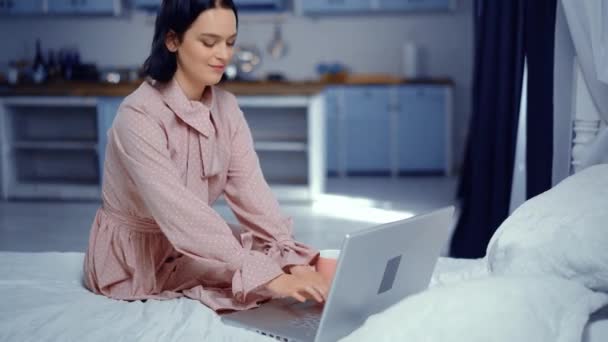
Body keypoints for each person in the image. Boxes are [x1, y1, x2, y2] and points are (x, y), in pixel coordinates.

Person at [83, 0, 329, 312]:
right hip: (137, 262)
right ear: (173, 40)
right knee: (257, 273)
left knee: (268, 253)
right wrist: (272, 278)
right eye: (209, 42)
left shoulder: (226, 107)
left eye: (230, 43)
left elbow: (253, 193)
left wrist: (292, 260)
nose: (224, 55)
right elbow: (180, 213)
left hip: (188, 242)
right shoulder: (138, 115)